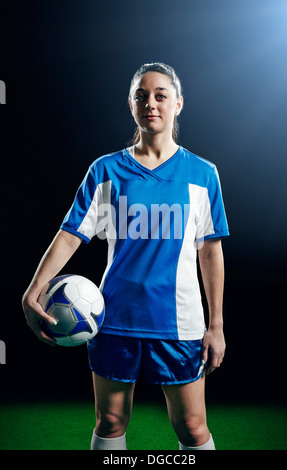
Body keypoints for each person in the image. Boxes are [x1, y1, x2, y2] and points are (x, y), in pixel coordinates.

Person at [22, 62, 229, 451]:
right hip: (114, 319)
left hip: (179, 322)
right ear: (131, 104)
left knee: (192, 427)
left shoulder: (203, 174)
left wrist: (215, 325)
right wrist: (34, 289)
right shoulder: (105, 170)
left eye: (160, 95)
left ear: (178, 104)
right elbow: (71, 235)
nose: (150, 103)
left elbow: (211, 252)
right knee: (111, 420)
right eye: (141, 95)